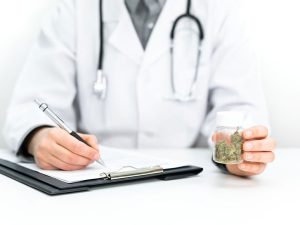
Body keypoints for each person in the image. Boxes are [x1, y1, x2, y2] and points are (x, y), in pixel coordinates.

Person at [3, 0, 276, 177]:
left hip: (190, 187)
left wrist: (240, 153)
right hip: (93, 182)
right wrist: (40, 137)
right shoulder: (73, 9)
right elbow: (32, 105)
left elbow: (240, 110)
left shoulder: (219, 10)